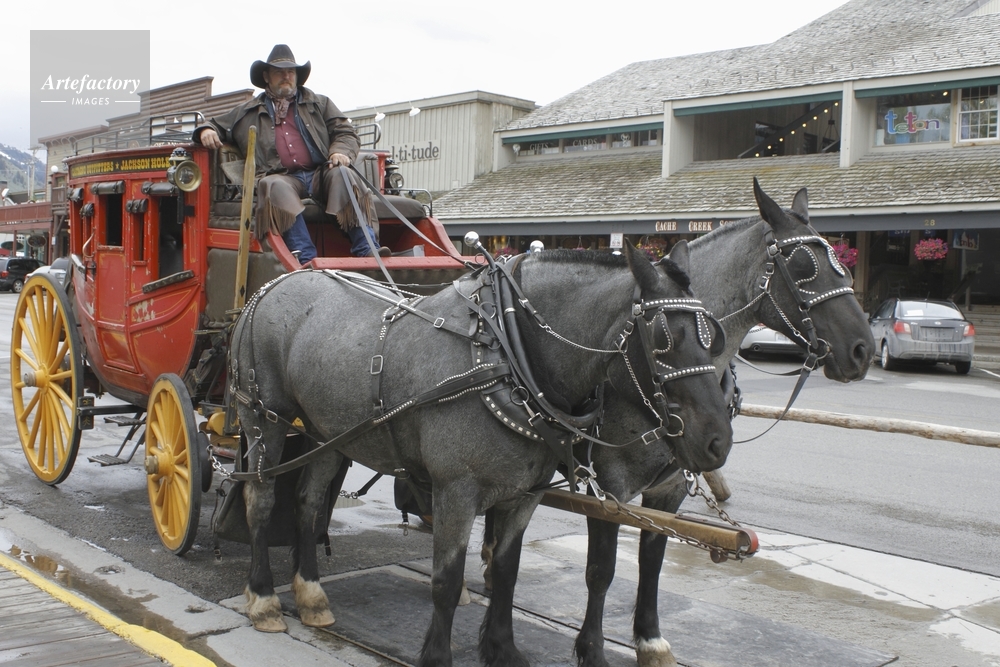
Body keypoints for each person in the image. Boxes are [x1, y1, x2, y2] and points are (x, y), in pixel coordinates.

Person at [194, 44, 388, 263]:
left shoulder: (319, 103)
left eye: (291, 71)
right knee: (273, 184)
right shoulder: (247, 111)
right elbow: (215, 124)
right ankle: (304, 258)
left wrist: (340, 152)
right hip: (282, 178)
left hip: (320, 174)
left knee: (344, 173)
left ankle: (367, 248)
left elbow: (346, 133)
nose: (286, 76)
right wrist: (206, 130)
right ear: (266, 77)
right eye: (279, 72)